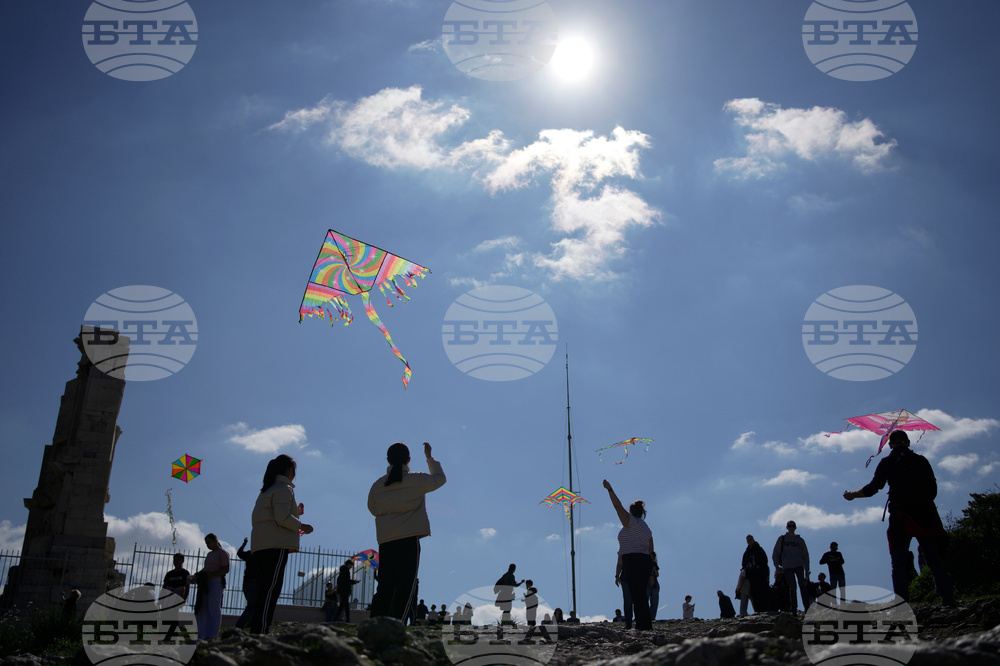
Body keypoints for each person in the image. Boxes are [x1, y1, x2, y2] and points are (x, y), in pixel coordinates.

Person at [844, 430, 955, 606]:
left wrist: (852, 495)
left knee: (899, 562)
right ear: (908, 443)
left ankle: (902, 605)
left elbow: (873, 488)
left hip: (900, 516)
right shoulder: (921, 461)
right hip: (925, 514)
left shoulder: (888, 462)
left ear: (890, 445)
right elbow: (933, 490)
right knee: (933, 559)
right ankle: (949, 600)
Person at [368, 442, 446, 619]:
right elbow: (440, 478)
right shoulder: (417, 480)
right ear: (409, 459)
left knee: (384, 586)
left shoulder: (377, 485)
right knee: (405, 586)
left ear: (387, 459)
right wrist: (429, 458)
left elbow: (372, 508)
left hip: (386, 540)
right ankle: (396, 625)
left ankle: (375, 623)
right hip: (409, 539)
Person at [250, 454, 313, 634]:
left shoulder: (266, 490)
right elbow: (281, 517)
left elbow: (269, 516)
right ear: (289, 470)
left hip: (261, 544)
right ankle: (261, 630)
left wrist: (296, 513)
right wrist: (302, 525)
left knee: (263, 590)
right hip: (275, 545)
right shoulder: (285, 489)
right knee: (271, 591)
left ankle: (257, 629)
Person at [604, 479, 654, 631]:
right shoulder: (646, 528)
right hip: (644, 561)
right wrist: (653, 571)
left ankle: (642, 627)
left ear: (631, 512)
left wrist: (610, 489)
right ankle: (644, 625)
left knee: (636, 595)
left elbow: (617, 506)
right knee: (641, 595)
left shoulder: (630, 522)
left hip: (633, 560)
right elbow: (651, 551)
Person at [192, 533, 229, 639]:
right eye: (206, 543)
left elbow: (226, 569)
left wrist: (211, 574)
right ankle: (202, 634)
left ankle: (213, 634)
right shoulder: (209, 554)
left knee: (213, 607)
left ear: (215, 540)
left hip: (216, 581)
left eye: (209, 542)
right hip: (206, 582)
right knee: (203, 608)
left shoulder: (222, 553)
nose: (208, 545)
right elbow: (207, 568)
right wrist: (198, 574)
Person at [772, 520, 810, 614]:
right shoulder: (782, 539)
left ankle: (807, 607)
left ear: (795, 527)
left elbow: (805, 555)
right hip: (787, 566)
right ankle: (794, 608)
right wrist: (777, 566)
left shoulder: (800, 540)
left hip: (799, 565)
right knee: (792, 587)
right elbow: (776, 553)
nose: (791, 527)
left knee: (802, 586)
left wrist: (807, 570)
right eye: (790, 526)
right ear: (787, 527)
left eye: (793, 526)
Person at [741, 535, 770, 612]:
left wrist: (759, 567)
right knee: (754, 593)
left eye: (751, 539)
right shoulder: (747, 552)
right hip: (751, 575)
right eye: (748, 540)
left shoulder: (759, 549)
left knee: (762, 591)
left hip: (760, 574)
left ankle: (764, 609)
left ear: (753, 540)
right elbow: (744, 563)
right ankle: (758, 610)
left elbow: (765, 560)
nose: (750, 541)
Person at [234, 538, 256, 629]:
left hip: (248, 583)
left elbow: (239, 553)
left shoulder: (249, 554)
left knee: (253, 605)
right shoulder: (260, 555)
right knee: (252, 605)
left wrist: (244, 544)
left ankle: (250, 622)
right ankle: (239, 625)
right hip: (253, 583)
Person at [615, 553, 634, 629]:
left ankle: (636, 622)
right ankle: (628, 623)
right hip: (625, 577)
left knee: (633, 600)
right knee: (627, 601)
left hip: (636, 576)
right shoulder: (623, 549)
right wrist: (617, 576)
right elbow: (619, 563)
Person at [647, 551, 660, 622]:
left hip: (654, 583)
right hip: (646, 583)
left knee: (654, 601)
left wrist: (654, 570)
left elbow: (657, 574)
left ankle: (652, 617)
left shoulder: (654, 564)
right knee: (645, 599)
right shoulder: (644, 563)